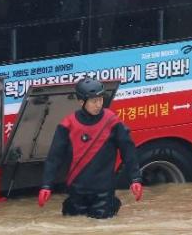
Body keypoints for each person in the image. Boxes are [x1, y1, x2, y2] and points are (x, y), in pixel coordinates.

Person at [38, 78, 143, 219]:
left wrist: (135, 179)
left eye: (100, 99)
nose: (98, 104)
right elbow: (54, 157)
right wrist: (46, 185)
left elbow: (128, 151)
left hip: (104, 193)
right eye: (94, 101)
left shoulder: (112, 122)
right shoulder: (67, 125)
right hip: (76, 192)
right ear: (81, 102)